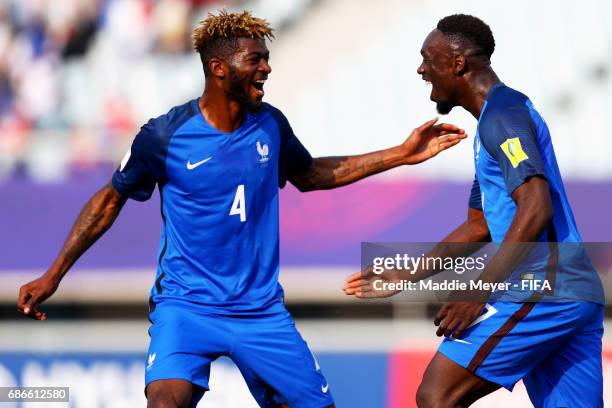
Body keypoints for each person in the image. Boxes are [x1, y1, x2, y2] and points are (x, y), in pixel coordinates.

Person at [17, 9, 466, 408]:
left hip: (260, 311)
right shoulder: (165, 136)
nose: (267, 68)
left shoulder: (270, 125)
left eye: (266, 58)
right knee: (165, 402)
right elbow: (108, 200)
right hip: (186, 304)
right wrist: (54, 273)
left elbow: (312, 175)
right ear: (218, 68)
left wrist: (401, 154)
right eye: (256, 59)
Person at [344, 14, 603, 408]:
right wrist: (408, 273)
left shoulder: (503, 116)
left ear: (457, 63)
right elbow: (479, 226)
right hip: (573, 290)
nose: (421, 69)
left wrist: (479, 289)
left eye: (427, 59)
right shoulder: (494, 121)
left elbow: (536, 207)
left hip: (547, 287)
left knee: (436, 396)